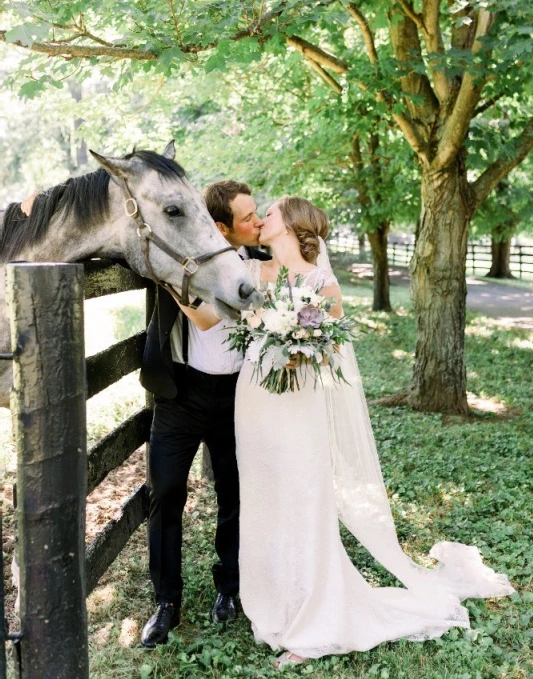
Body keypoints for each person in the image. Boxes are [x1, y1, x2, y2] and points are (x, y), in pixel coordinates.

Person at [179, 195, 514, 669]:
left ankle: (315, 616)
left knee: (302, 500)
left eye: (270, 212)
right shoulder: (251, 274)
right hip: (253, 401)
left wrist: (300, 347)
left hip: (299, 407)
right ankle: (274, 605)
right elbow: (210, 318)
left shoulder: (323, 284)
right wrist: (175, 289)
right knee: (264, 497)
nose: (262, 219)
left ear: (293, 226)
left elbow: (334, 352)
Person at [139, 180, 270, 648]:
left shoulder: (261, 263)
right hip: (180, 392)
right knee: (167, 490)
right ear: (218, 227)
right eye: (249, 216)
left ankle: (229, 588)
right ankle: (166, 602)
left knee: (235, 491)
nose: (259, 221)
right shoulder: (175, 259)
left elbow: (214, 317)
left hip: (239, 394)